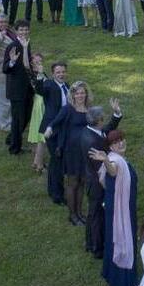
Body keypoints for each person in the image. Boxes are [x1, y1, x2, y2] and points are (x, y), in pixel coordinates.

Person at [90, 129, 136, 286]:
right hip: (120, 208)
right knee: (121, 238)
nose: (121, 143)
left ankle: (110, 272)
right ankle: (121, 280)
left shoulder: (116, 158)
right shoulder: (114, 161)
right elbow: (113, 171)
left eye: (122, 139)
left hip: (115, 204)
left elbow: (105, 181)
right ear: (110, 147)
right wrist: (106, 162)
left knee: (113, 237)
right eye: (116, 142)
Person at [45, 81, 94, 225]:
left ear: (86, 93)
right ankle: (72, 215)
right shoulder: (68, 109)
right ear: (72, 94)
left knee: (82, 182)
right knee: (73, 183)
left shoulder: (88, 109)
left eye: (82, 92)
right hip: (72, 152)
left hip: (85, 151)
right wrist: (49, 129)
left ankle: (79, 212)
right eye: (77, 93)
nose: (80, 95)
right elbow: (55, 122)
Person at [83, 103, 124, 261]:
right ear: (98, 120)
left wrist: (116, 114)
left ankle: (91, 243)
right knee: (97, 216)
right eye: (103, 118)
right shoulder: (93, 142)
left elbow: (105, 132)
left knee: (93, 214)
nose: (104, 120)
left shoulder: (90, 131)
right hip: (97, 184)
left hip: (91, 180)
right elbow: (101, 168)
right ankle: (97, 248)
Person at [36, 61, 70, 204]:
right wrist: (39, 76)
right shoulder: (49, 85)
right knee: (57, 160)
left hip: (64, 129)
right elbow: (40, 90)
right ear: (53, 74)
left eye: (63, 72)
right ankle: (57, 195)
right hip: (51, 130)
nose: (61, 74)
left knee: (57, 161)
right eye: (58, 72)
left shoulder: (68, 86)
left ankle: (53, 189)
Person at [3, 20, 33, 155]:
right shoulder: (12, 47)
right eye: (21, 30)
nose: (24, 32)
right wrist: (12, 61)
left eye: (26, 30)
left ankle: (11, 138)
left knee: (26, 117)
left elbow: (27, 66)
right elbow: (5, 69)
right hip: (16, 90)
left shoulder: (27, 44)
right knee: (18, 120)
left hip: (27, 88)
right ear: (16, 31)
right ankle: (15, 148)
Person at [28, 53, 48, 173]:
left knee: (41, 135)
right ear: (31, 63)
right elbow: (38, 88)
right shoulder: (32, 74)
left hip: (43, 101)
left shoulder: (41, 72)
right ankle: (39, 165)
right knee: (42, 136)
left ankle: (36, 161)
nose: (39, 64)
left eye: (41, 61)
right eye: (37, 62)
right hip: (40, 103)